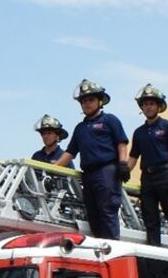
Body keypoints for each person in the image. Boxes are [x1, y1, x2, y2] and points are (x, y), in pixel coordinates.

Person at [56, 79, 130, 240]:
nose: (87, 104)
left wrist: (123, 163)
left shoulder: (110, 120)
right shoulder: (80, 128)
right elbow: (70, 152)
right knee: (93, 214)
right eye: (84, 101)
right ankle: (99, 250)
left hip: (106, 172)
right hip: (88, 175)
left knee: (107, 211)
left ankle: (112, 251)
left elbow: (121, 143)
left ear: (99, 101)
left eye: (90, 100)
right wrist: (52, 167)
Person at [126, 84, 168, 249]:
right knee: (150, 216)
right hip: (147, 178)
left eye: (152, 103)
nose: (148, 107)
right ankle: (154, 248)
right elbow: (133, 157)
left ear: (158, 106)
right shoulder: (139, 132)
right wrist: (122, 172)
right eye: (145, 104)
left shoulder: (167, 127)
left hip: (165, 175)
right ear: (141, 107)